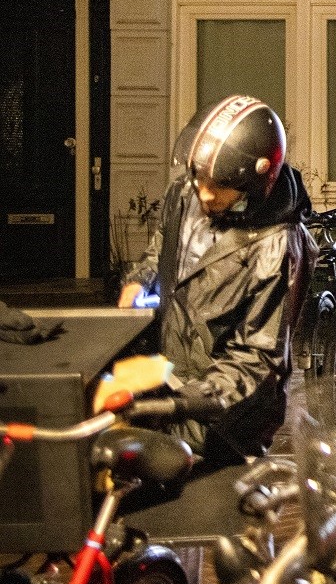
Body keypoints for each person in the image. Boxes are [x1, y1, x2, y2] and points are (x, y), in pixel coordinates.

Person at [118, 95, 314, 467]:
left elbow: (258, 357)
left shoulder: (278, 245)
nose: (205, 193)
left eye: (220, 186)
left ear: (258, 182)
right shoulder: (184, 193)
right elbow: (159, 251)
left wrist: (182, 401)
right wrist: (140, 282)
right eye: (199, 177)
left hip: (227, 421)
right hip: (166, 386)